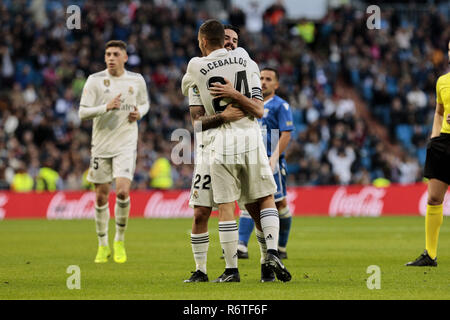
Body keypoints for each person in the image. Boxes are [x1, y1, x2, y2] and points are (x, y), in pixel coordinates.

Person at [184, 19, 291, 282]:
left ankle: (252, 264)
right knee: (202, 211)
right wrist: (225, 113)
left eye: (235, 40)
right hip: (211, 147)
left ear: (204, 41)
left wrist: (232, 94)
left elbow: (258, 109)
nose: (231, 44)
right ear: (221, 40)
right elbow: (196, 122)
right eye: (227, 39)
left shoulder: (199, 67)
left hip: (228, 145)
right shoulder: (244, 62)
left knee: (247, 206)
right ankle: (204, 270)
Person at [78, 40, 149, 264]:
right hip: (101, 146)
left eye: (115, 54)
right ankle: (102, 244)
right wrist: (105, 107)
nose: (110, 58)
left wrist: (140, 113)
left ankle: (119, 239)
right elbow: (82, 113)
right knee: (100, 196)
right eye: (108, 54)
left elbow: (145, 103)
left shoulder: (136, 80)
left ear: (125, 57)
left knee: (122, 192)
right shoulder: (95, 80)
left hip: (126, 144)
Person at [237, 67, 294, 260]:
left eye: (268, 79)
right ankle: (241, 245)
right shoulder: (250, 104)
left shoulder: (280, 106)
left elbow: (286, 133)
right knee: (248, 201)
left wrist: (275, 158)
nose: (263, 82)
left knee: (278, 204)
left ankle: (281, 246)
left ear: (276, 84)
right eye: (261, 78)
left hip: (271, 161)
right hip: (251, 159)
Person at [406, 40, 450, 267]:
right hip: (443, 143)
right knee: (434, 198)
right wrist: (434, 138)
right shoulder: (442, 81)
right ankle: (430, 255)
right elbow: (439, 111)